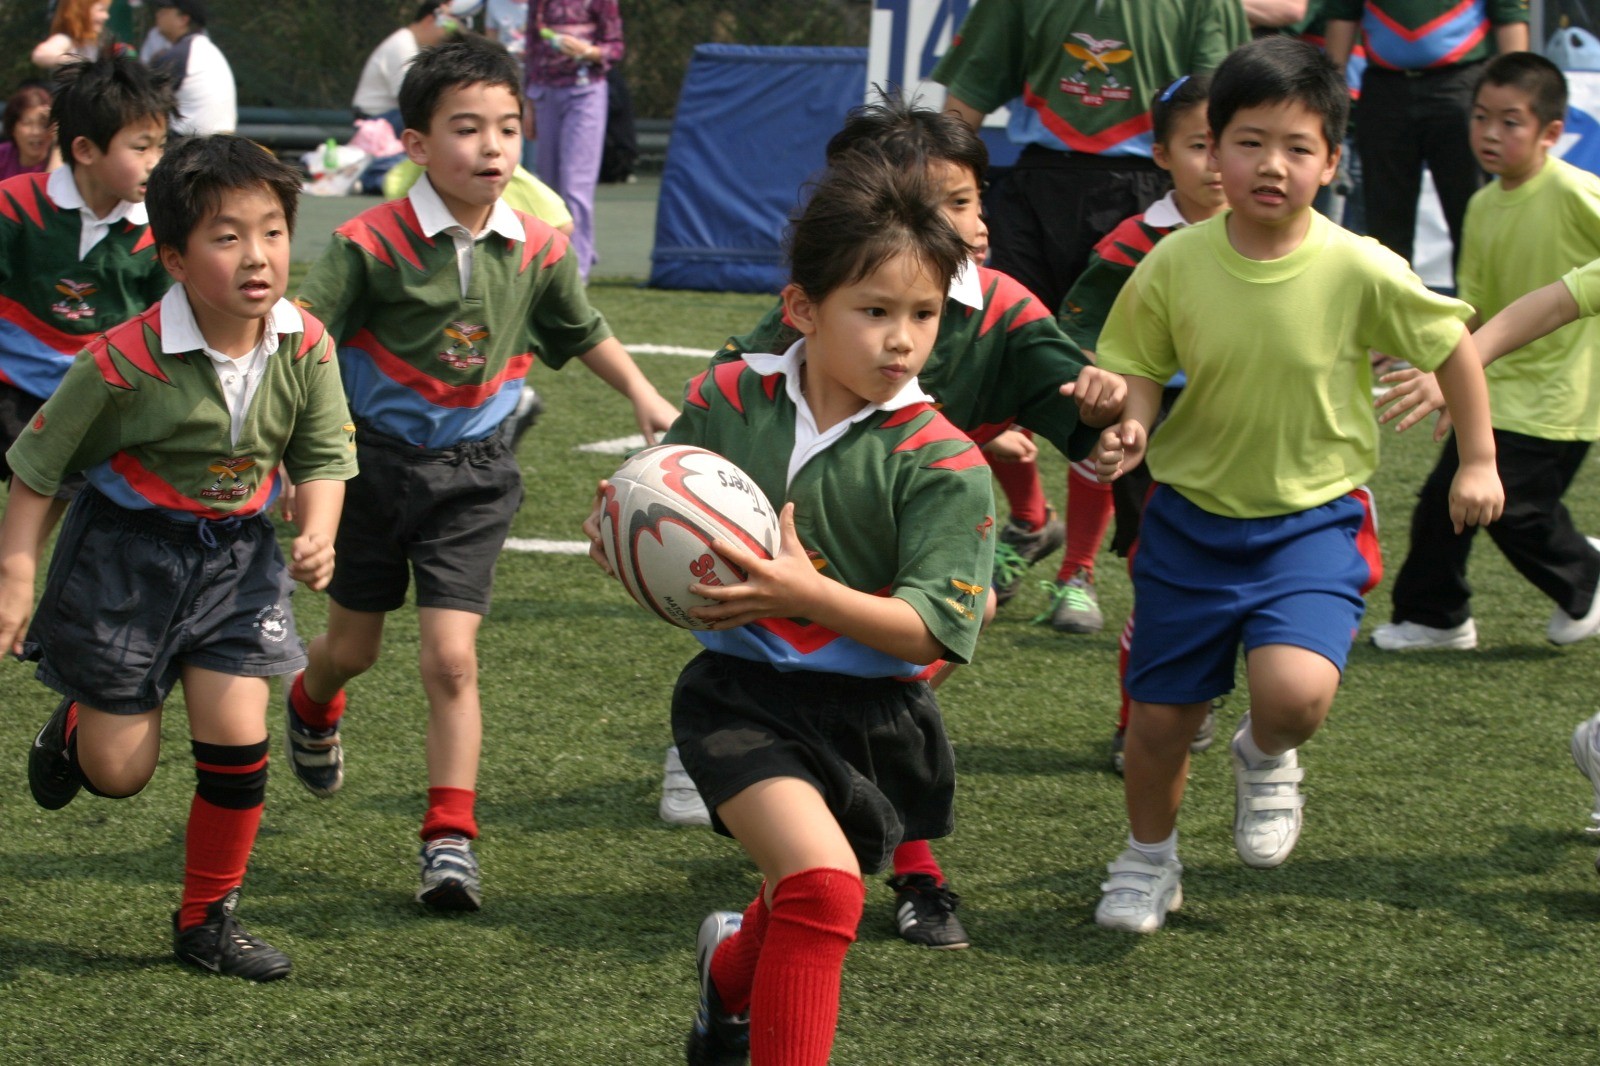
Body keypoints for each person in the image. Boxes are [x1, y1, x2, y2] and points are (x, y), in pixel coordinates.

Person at [659, 96, 1119, 953]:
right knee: (822, 870)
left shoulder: (996, 325)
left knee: (936, 639)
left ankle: (888, 864)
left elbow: (1086, 416)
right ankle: (888, 851)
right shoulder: (791, 339)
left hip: (910, 556)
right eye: (929, 201)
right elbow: (720, 415)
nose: (957, 221)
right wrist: (644, 518)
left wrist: (1109, 417)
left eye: (963, 200)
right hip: (772, 628)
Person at [584, 148, 993, 1066]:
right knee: (824, 886)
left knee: (804, 891)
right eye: (875, 311)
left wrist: (810, 593)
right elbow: (661, 491)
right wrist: (622, 530)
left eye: (924, 314)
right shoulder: (732, 395)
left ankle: (727, 978)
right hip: (742, 698)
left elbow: (931, 632)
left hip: (877, 715)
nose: (902, 340)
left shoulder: (943, 462)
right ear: (803, 309)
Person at [1089, 36, 1503, 934]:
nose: (1271, 165)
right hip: (1188, 522)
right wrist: (1133, 424)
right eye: (1249, 142)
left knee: (1296, 696)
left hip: (1312, 522)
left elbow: (1453, 347)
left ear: (1332, 160)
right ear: (1212, 150)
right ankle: (1148, 859)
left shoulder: (1360, 264)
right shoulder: (1174, 262)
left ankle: (1266, 754)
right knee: (1158, 721)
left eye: (1297, 147)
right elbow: (1139, 365)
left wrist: (1478, 457)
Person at [288, 35, 677, 913]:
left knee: (452, 660)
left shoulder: (538, 248)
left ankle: (449, 841)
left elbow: (581, 330)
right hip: (369, 472)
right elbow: (301, 343)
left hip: (473, 475)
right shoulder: (366, 244)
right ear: (416, 144)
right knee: (352, 649)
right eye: (467, 128)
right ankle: (312, 702)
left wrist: (643, 394)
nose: (493, 146)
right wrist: (293, 458)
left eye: (507, 127)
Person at [4, 134, 357, 981]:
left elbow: (322, 456)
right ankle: (81, 723)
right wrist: (15, 578)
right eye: (226, 237)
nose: (257, 255)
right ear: (173, 257)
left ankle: (207, 920)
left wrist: (318, 529)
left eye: (272, 232)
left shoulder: (306, 344)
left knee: (239, 744)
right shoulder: (120, 361)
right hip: (124, 563)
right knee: (119, 773)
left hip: (238, 561)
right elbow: (39, 469)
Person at [928, 0, 1248, 633]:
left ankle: (1078, 574)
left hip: (1144, 186)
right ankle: (1029, 519)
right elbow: (970, 91)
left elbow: (1224, 100)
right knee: (980, 352)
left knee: (1101, 391)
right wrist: (936, 191)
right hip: (1037, 185)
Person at [1370, 53, 1600, 654]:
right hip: (1495, 387)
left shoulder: (1575, 191)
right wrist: (1447, 370)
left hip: (1558, 396)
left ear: (1552, 132)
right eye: (1480, 117)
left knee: (1516, 510)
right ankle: (1436, 617)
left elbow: (1562, 302)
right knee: (1443, 505)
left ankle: (1588, 576)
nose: (1490, 133)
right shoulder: (1480, 203)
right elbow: (1473, 306)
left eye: (1510, 121)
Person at [1056, 73, 1227, 771]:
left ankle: (1199, 692)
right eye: (1199, 145)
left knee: (1224, 576)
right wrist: (1100, 382)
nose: (1218, 163)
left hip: (1239, 426)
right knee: (1156, 575)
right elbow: (1078, 326)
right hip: (1147, 425)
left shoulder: (1279, 236)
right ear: (1161, 155)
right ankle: (1138, 725)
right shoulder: (1134, 241)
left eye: (1233, 143)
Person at [0, 54, 175, 537]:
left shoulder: (157, 236)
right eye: (141, 147)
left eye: (161, 146)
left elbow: (164, 326)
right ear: (84, 149)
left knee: (20, 549)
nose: (156, 162)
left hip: (82, 403)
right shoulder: (14, 205)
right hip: (5, 383)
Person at [1324, 0, 1529, 269]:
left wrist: (1514, 95)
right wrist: (1330, 94)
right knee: (1385, 227)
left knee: (1471, 218)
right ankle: (1390, 297)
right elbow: (1342, 14)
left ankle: (1479, 297)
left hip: (1461, 85)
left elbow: (1509, 15)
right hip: (1385, 89)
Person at [524, 0, 622, 282]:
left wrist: (587, 51)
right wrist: (528, 104)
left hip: (585, 93)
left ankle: (576, 271)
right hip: (544, 94)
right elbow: (532, 48)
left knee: (575, 183)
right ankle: (557, 258)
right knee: (549, 185)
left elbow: (615, 47)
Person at [352, 1, 457, 131]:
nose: (449, 33)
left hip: (389, 117)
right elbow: (410, 98)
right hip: (374, 120)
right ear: (429, 20)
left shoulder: (411, 44)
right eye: (449, 26)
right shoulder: (402, 45)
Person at [146, 0, 236, 136]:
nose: (158, 14)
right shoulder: (204, 49)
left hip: (194, 141)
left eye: (164, 11)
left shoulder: (182, 54)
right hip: (218, 140)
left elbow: (143, 101)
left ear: (183, 20)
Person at [31, 0, 112, 69]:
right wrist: (78, 62)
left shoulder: (98, 44)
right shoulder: (65, 40)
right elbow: (41, 54)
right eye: (101, 10)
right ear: (81, 11)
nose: (106, 16)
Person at [0, 82, 54, 180]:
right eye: (27, 123)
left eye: (43, 124)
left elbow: (54, 188)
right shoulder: (2, 156)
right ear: (12, 128)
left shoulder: (63, 161)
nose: (36, 132)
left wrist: (58, 147)